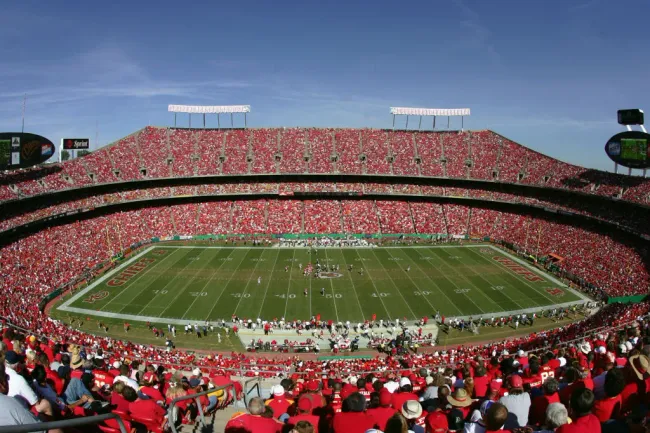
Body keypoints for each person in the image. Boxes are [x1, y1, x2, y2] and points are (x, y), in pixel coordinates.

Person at [0, 364, 62, 433]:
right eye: (7, 377)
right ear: (1, 385)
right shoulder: (11, 403)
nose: (8, 379)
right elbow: (38, 429)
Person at [5, 351, 53, 416]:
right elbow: (35, 402)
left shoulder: (3, 371)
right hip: (21, 411)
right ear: (16, 364)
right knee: (45, 404)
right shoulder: (19, 379)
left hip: (8, 408)